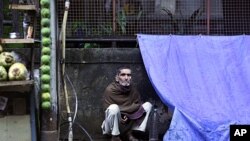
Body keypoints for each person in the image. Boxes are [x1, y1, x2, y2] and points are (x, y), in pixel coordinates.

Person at [101, 67, 153, 141]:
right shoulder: (110, 90)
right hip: (112, 126)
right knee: (113, 108)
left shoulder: (132, 89)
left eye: (129, 75)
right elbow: (107, 110)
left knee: (148, 105)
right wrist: (122, 114)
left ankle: (132, 133)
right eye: (123, 75)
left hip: (129, 121)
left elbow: (137, 104)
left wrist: (128, 115)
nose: (126, 78)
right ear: (117, 77)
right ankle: (115, 137)